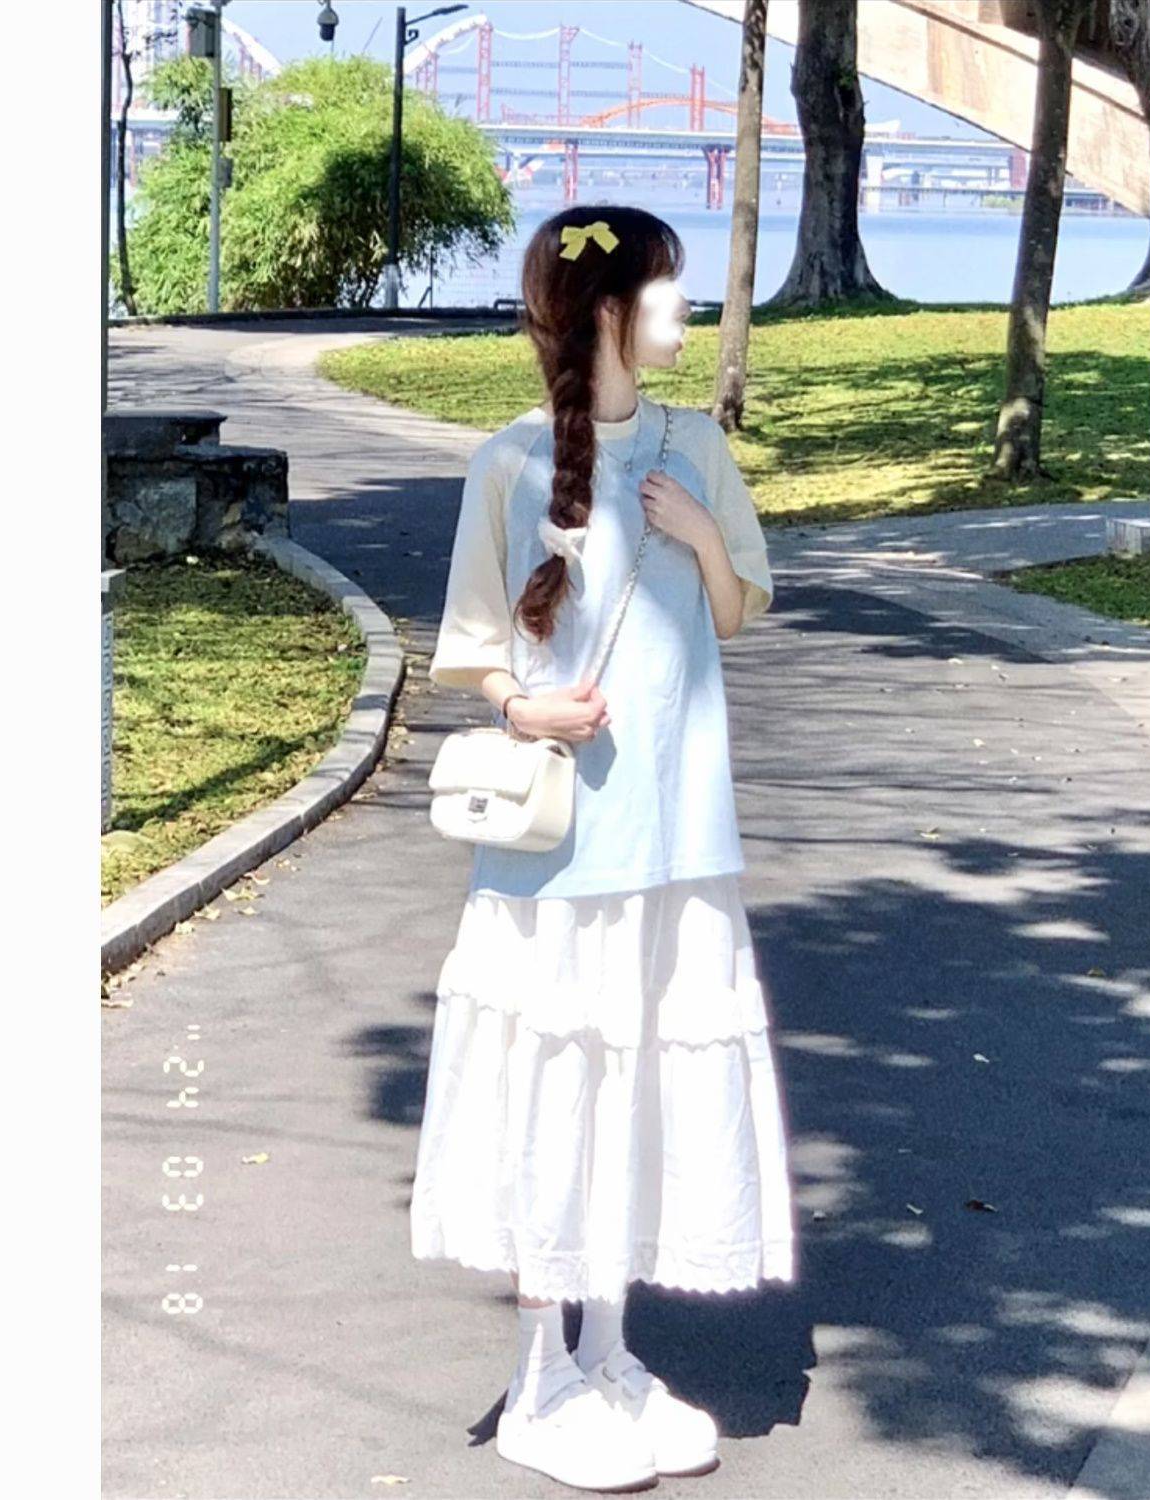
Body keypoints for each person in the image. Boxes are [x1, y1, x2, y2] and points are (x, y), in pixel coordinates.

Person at [409, 205, 797, 1491]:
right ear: (612, 314)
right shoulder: (507, 464)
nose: (688, 308)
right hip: (560, 851)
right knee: (557, 1091)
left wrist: (701, 538)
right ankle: (539, 1384)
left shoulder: (699, 450)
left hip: (680, 838)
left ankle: (612, 1356)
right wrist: (524, 708)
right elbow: (475, 646)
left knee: (639, 1098)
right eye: (668, 288)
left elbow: (736, 613)